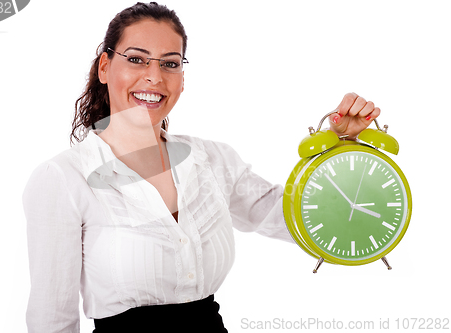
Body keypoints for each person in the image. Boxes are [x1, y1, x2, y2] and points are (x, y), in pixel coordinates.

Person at [22, 2, 381, 333]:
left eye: (170, 62)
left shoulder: (213, 160)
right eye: (137, 59)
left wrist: (339, 147)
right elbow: (52, 318)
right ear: (104, 67)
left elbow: (300, 217)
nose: (154, 76)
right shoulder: (63, 179)